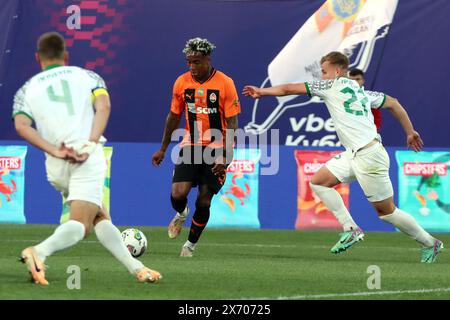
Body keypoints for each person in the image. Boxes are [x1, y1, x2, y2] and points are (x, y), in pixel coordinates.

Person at [243, 51, 443, 263]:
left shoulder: (331, 85)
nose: (321, 76)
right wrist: (410, 132)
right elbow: (393, 102)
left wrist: (261, 92)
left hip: (368, 156)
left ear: (337, 71)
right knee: (319, 182)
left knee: (387, 212)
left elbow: (288, 88)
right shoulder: (361, 91)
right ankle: (350, 228)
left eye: (324, 71)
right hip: (357, 153)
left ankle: (431, 243)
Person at [12, 31, 162, 285]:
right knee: (82, 225)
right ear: (66, 56)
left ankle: (137, 268)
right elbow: (103, 107)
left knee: (99, 215)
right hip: (85, 157)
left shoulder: (26, 89)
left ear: (38, 57)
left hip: (56, 164)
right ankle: (38, 252)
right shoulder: (88, 76)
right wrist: (91, 143)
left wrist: (54, 150)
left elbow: (21, 125)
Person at [152, 38, 240, 257]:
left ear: (208, 59)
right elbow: (174, 116)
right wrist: (163, 148)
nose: (192, 67)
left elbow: (232, 122)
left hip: (217, 148)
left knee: (204, 199)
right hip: (191, 145)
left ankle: (189, 246)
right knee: (178, 193)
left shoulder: (225, 83)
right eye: (189, 62)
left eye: (197, 62)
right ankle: (181, 214)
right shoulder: (181, 83)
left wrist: (226, 155)